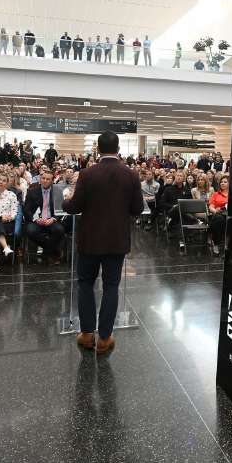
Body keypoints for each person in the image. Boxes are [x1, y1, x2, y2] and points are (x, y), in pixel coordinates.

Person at [61, 132, 143, 354]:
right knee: (111, 286)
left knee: (86, 283)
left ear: (98, 149)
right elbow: (138, 209)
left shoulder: (87, 174)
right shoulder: (131, 175)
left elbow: (75, 206)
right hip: (116, 240)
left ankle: (87, 334)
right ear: (118, 149)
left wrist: (65, 201)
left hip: (90, 239)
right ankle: (105, 338)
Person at [25, 171, 67, 263]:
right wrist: (35, 219)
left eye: (48, 179)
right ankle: (52, 251)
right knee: (30, 231)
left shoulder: (58, 192)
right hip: (36, 220)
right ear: (40, 179)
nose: (45, 181)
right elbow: (27, 209)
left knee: (59, 230)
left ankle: (47, 252)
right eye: (43, 178)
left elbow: (61, 208)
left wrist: (53, 219)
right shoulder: (32, 191)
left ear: (52, 181)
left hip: (51, 219)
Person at [208, 177, 229, 255]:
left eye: (225, 182)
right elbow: (211, 206)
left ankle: (227, 243)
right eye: (221, 182)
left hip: (229, 214)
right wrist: (215, 211)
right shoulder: (216, 194)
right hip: (218, 214)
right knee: (218, 219)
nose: (222, 183)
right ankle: (216, 244)